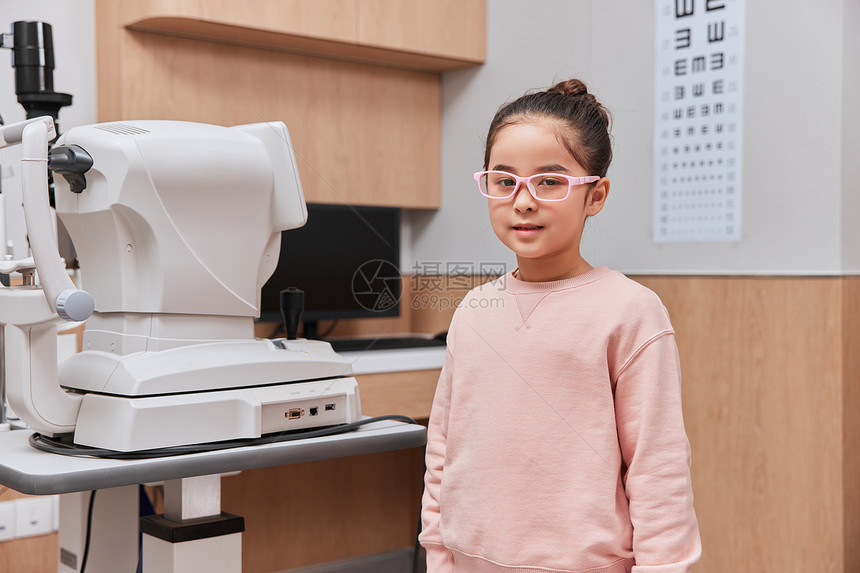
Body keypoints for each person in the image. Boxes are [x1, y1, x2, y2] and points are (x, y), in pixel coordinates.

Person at [419, 78, 701, 573]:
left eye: (550, 181)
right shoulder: (473, 310)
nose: (523, 201)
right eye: (505, 181)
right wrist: (439, 553)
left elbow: (658, 468)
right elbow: (443, 446)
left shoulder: (631, 311)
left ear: (595, 196)